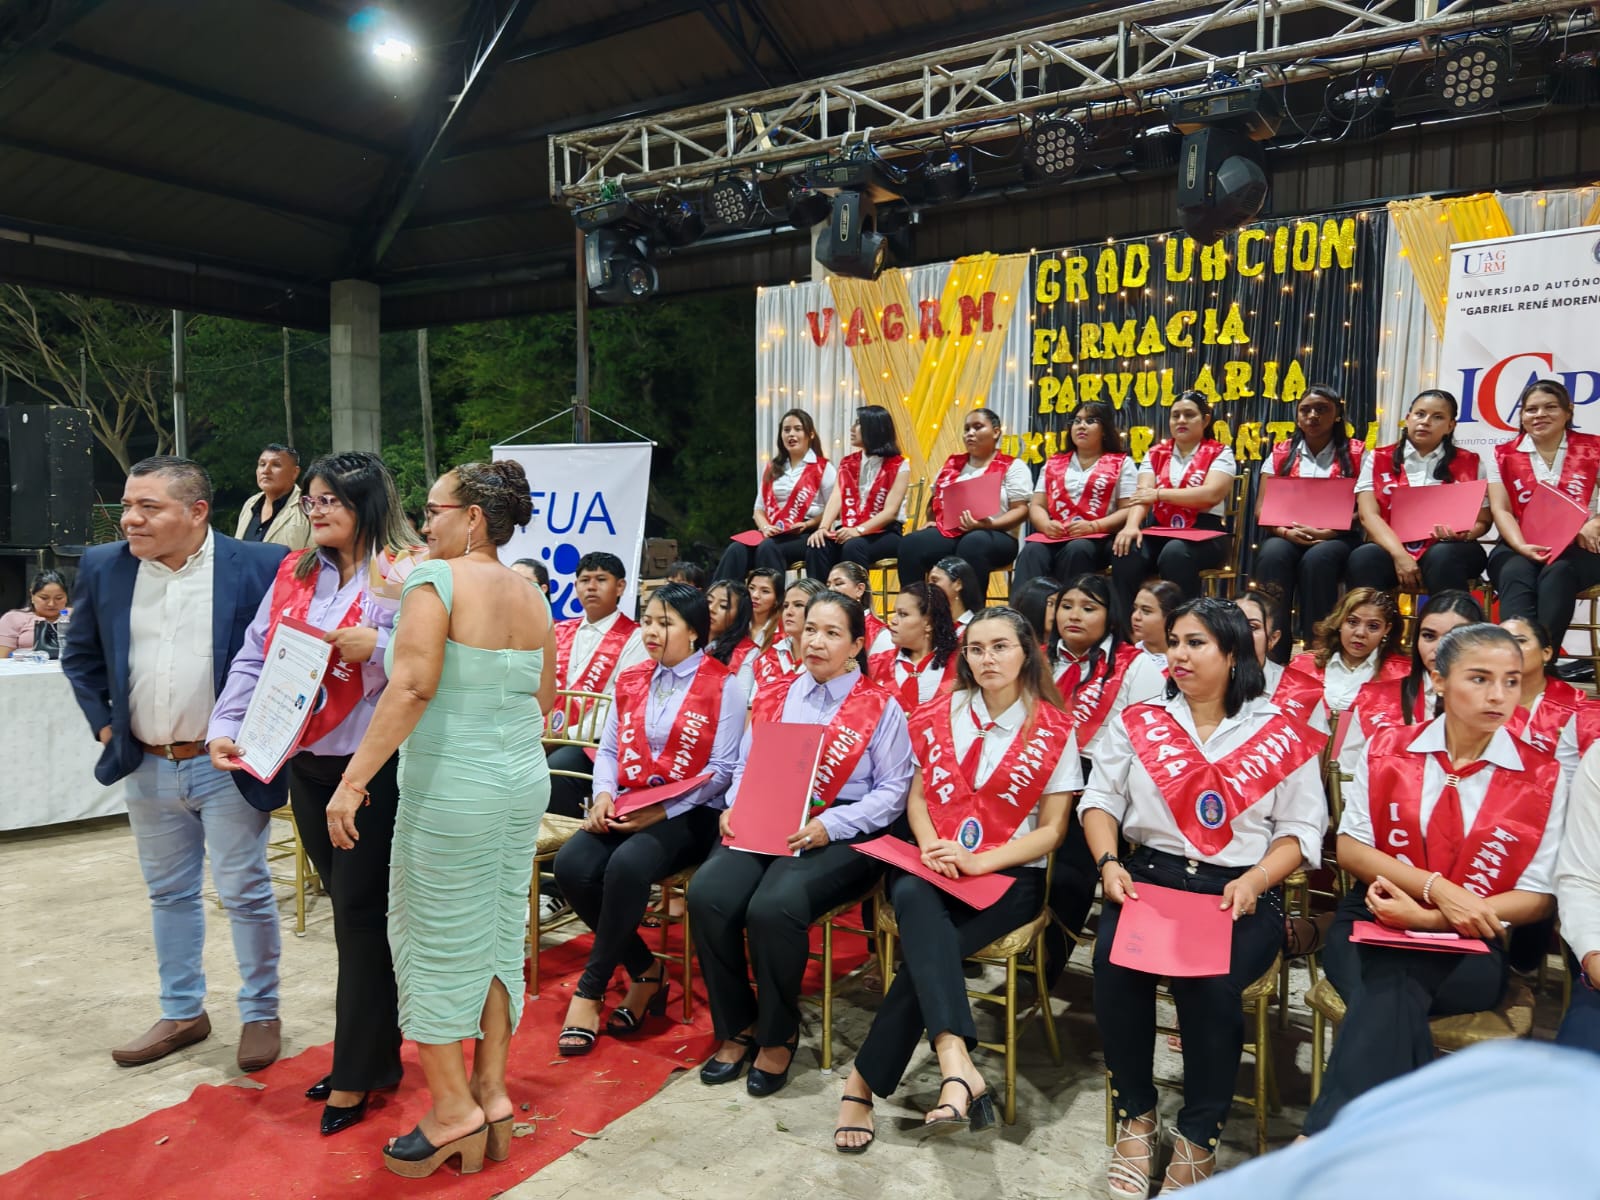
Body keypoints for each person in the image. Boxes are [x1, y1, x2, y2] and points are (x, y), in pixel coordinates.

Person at [325, 460, 555, 1178]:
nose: (424, 525)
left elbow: (413, 685)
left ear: (473, 517)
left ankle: (453, 1110)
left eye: (433, 511)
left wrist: (352, 782)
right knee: (495, 937)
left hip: (454, 786)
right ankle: (492, 1096)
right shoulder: (530, 592)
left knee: (429, 940)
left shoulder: (436, 580)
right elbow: (544, 699)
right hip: (522, 781)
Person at [1083, 597, 1327, 1195]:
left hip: (1241, 889)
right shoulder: (1140, 720)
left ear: (1233, 653)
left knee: (1209, 984)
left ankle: (1198, 1137)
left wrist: (1256, 880)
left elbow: (1300, 831)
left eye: (1196, 643)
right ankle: (1137, 1116)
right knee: (1113, 965)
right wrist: (1109, 862)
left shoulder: (1278, 729)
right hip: (1150, 878)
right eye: (1174, 642)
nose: (1179, 655)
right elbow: (1101, 801)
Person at [207, 451, 419, 1135]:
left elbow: (434, 661)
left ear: (367, 503)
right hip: (305, 763)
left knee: (356, 915)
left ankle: (356, 1073)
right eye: (312, 500)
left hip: (375, 767)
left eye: (331, 499)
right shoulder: (295, 571)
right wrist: (226, 724)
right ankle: (375, 1054)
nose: (317, 510)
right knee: (353, 915)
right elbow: (255, 653)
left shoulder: (408, 572)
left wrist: (377, 646)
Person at [61, 456, 288, 1071]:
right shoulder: (104, 566)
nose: (130, 519)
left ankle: (261, 1012)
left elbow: (287, 658)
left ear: (196, 512)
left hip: (227, 766)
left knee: (244, 892)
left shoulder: (261, 565)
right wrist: (107, 726)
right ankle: (183, 1010)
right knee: (168, 894)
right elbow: (80, 657)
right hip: (146, 764)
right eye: (128, 506)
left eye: (148, 507)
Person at [1302, 623, 1567, 1138]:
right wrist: (1436, 889)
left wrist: (1432, 919)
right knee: (1393, 987)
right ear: (1439, 679)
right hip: (1373, 918)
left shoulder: (1542, 775)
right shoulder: (1387, 747)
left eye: (1511, 681)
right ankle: (1387, 1148)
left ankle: (1322, 1140)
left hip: (1472, 937)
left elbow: (1537, 898)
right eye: (1480, 678)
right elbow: (1352, 848)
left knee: (1389, 986)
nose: (1499, 695)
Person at [830, 607, 1079, 1152]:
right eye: (976, 648)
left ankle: (865, 1082)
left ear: (1027, 652)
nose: (987, 659)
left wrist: (980, 863)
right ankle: (955, 1063)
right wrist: (929, 848)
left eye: (1000, 647)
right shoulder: (944, 712)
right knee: (913, 892)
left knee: (926, 953)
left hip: (1010, 876)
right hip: (937, 863)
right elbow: (918, 800)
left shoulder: (1054, 728)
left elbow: (1053, 831)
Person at [690, 591, 914, 1096]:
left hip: (843, 831)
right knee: (709, 894)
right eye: (810, 629)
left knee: (773, 907)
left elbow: (892, 792)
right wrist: (735, 804)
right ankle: (737, 1023)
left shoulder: (880, 706)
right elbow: (746, 763)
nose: (815, 641)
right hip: (768, 820)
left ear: (856, 645)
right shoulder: (775, 693)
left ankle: (777, 1032)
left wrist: (831, 825)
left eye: (832, 633)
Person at [552, 584, 745, 1054]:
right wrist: (603, 795)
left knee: (627, 865)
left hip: (691, 811)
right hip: (630, 801)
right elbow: (609, 750)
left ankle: (591, 989)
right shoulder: (633, 677)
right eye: (648, 621)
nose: (651, 632)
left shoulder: (724, 685)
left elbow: (722, 771)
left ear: (694, 632)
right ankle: (646, 970)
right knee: (571, 866)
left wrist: (662, 810)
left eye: (665, 623)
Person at [1251, 386, 1366, 661]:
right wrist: (1284, 532)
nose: (1313, 415)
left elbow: (1366, 509)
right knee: (1272, 553)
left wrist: (1328, 532)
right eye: (1306, 410)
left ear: (1337, 414)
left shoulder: (1357, 453)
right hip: (1287, 533)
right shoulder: (1281, 453)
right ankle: (1273, 649)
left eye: (1322, 409)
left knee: (1318, 559)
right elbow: (1261, 509)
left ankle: (1319, 649)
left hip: (1337, 536)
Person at [1487, 379, 1600, 658]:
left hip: (1581, 545)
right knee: (1515, 572)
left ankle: (1541, 662)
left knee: (1558, 573)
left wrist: (1595, 523)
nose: (1540, 415)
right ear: (1522, 415)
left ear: (1568, 411)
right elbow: (1501, 510)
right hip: (1519, 541)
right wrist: (1520, 546)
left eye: (1550, 407)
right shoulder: (1503, 455)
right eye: (1531, 409)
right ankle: (1515, 660)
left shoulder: (1593, 448)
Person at [1348, 389, 1490, 595]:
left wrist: (1465, 534)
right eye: (1420, 414)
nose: (1425, 421)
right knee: (1364, 557)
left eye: (1438, 417)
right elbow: (1368, 515)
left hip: (1450, 548)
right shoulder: (1378, 458)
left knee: (1443, 555)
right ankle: (1373, 615)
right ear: (1408, 418)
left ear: (1451, 426)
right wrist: (1400, 555)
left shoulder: (1470, 462)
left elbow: (1483, 520)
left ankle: (1446, 616)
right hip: (1392, 547)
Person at [1110, 390, 1237, 616]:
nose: (1181, 420)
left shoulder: (1220, 452)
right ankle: (1127, 628)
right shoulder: (1156, 453)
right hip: (1162, 530)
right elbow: (1142, 495)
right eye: (1175, 415)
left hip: (1205, 532)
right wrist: (1131, 526)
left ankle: (1180, 624)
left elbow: (1211, 494)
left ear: (1205, 420)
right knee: (1127, 549)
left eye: (1189, 415)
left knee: (1175, 552)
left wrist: (1159, 494)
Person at [544, 551, 649, 819]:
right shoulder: (560, 631)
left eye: (601, 579)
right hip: (549, 733)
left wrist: (565, 735)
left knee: (557, 767)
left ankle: (562, 837)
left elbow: (621, 703)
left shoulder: (635, 638)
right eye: (584, 580)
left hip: (598, 742)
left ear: (620, 587)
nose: (591, 587)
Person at [1334, 591, 1482, 779]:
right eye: (1429, 636)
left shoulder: (1497, 705)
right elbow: (1347, 773)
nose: (1439, 648)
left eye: (1453, 638)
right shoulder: (1374, 700)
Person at [896, 408, 1032, 588]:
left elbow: (1021, 510)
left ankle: (971, 606)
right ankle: (916, 602)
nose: (970, 433)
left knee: (973, 542)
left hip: (996, 535)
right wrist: (932, 520)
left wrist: (987, 525)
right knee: (911, 543)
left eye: (978, 427)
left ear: (996, 432)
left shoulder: (1013, 466)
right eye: (967, 429)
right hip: (953, 533)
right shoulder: (952, 465)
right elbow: (934, 500)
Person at [1012, 401, 1136, 594]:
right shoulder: (1054, 463)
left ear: (1104, 429)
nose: (1081, 426)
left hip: (1098, 538)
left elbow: (1128, 509)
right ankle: (1022, 611)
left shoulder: (1122, 463)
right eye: (1077, 421)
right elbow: (1037, 505)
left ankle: (1067, 607)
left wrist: (1094, 526)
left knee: (1078, 548)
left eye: (1090, 421)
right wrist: (1045, 525)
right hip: (1057, 534)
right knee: (1032, 550)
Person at [715, 408, 835, 582]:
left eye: (797, 429)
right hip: (774, 532)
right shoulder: (773, 468)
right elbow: (758, 510)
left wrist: (807, 524)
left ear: (810, 434)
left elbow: (834, 509)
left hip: (806, 533)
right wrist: (765, 528)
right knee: (736, 549)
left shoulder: (823, 467)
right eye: (786, 430)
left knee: (768, 547)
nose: (791, 434)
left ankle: (772, 598)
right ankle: (719, 597)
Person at [805, 404, 910, 580]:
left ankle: (857, 597)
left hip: (885, 532)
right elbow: (836, 497)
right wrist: (823, 528)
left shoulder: (899, 465)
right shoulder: (848, 463)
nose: (852, 429)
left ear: (873, 428)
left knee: (853, 546)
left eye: (858, 423)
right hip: (850, 529)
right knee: (818, 544)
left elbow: (891, 512)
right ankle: (821, 596)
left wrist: (858, 530)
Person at [1288, 586, 1406, 713]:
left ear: (1386, 629)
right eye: (1352, 622)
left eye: (1373, 626)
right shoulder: (1302, 665)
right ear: (1340, 622)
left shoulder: (1401, 675)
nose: (1360, 633)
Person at [1236, 587, 1330, 735]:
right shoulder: (1200, 682)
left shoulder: (1301, 692)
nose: (1239, 633)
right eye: (1233, 623)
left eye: (1252, 627)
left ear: (1273, 639)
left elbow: (1315, 746)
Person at [1501, 616, 1583, 781]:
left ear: (1546, 653)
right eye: (1499, 642)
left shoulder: (1576, 706)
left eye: (1520, 641)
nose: (1508, 649)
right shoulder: (1477, 701)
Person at [868, 581, 959, 715]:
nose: (893, 621)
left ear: (928, 623)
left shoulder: (960, 666)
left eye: (903, 614)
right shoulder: (875, 664)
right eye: (895, 613)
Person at [751, 577, 823, 697]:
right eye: (785, 606)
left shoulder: (828, 659)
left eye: (798, 605)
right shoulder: (769, 657)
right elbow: (752, 704)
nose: (789, 612)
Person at [234, 442, 313, 550]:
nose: (266, 471)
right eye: (262, 464)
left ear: (295, 472)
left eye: (276, 465)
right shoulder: (250, 504)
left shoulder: (307, 507)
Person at [705, 579, 760, 698]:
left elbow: (739, 700)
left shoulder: (748, 652)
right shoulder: (689, 640)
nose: (711, 609)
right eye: (708, 601)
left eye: (723, 606)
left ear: (739, 616)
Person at [0, 569, 70, 659]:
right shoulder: (12, 618)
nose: (51, 604)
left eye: (59, 598)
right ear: (32, 595)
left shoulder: (77, 617)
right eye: (44, 598)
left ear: (66, 597)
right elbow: (2, 659)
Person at [825, 560, 892, 654]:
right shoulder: (827, 627)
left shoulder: (880, 635)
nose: (830, 590)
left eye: (839, 583)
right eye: (828, 585)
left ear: (859, 589)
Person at [1129, 580, 1181, 668]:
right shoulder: (1125, 660)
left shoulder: (1185, 659)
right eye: (1135, 609)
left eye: (1146, 611)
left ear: (1170, 617)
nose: (1135, 616)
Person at [929, 556, 985, 630]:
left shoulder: (977, 626)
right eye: (928, 582)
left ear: (958, 584)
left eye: (935, 580)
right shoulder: (931, 625)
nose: (929, 586)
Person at [1009, 574, 1061, 650]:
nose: (1057, 610)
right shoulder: (1016, 647)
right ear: (1033, 606)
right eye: (1050, 603)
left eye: (1060, 604)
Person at [746, 567, 782, 650]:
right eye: (751, 588)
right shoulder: (734, 622)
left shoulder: (783, 631)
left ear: (777, 599)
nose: (755, 595)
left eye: (765, 591)